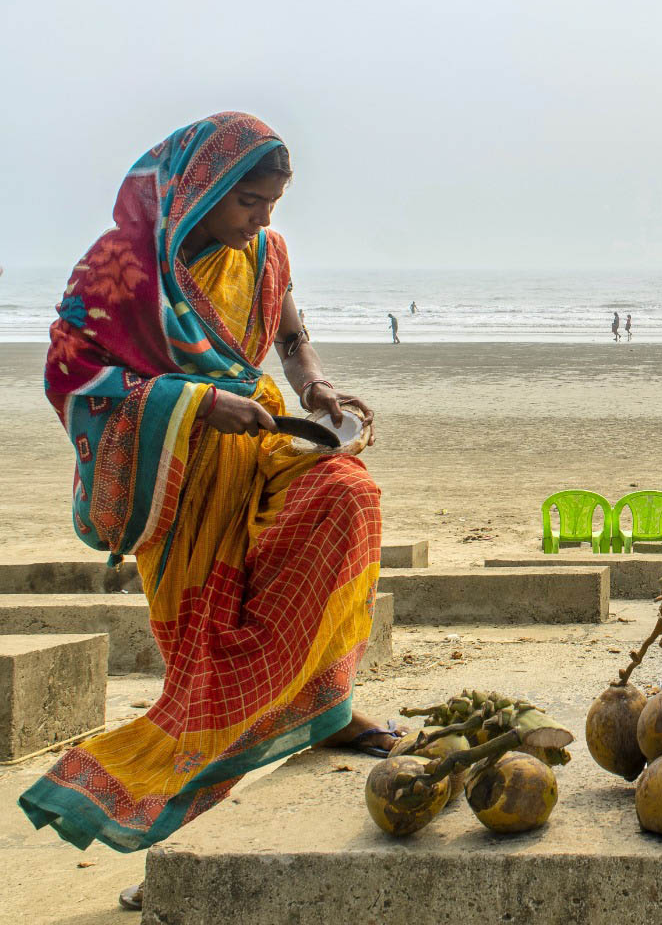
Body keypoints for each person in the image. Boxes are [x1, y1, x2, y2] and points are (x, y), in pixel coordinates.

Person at [22, 114, 393, 906]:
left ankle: (329, 703)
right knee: (209, 635)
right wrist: (193, 405)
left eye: (273, 203)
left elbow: (291, 337)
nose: (263, 220)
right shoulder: (123, 266)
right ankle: (175, 784)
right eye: (250, 203)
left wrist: (315, 387)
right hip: (180, 474)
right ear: (203, 191)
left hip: (262, 439)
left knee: (347, 497)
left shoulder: (265, 252)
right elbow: (73, 373)